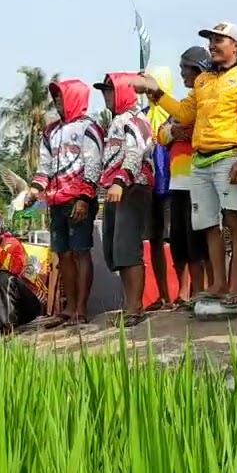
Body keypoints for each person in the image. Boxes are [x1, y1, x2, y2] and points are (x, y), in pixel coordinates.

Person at [143, 22, 237, 303]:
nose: (212, 45)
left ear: (236, 45)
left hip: (230, 156)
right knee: (209, 225)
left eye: (219, 40)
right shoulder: (203, 81)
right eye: (210, 40)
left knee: (234, 222)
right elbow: (185, 115)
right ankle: (218, 284)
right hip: (201, 160)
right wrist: (158, 95)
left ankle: (236, 286)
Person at [24, 79, 104, 326]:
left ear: (74, 99)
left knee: (81, 251)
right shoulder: (50, 131)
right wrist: (35, 190)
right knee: (63, 254)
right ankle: (69, 308)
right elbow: (44, 168)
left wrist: (84, 196)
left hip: (79, 198)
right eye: (56, 100)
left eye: (62, 98)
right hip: (56, 200)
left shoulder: (89, 128)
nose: (58, 104)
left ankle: (81, 309)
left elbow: (93, 164)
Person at [93, 72, 155, 320]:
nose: (106, 96)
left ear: (124, 91)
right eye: (104, 91)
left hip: (132, 187)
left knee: (127, 247)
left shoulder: (135, 120)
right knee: (116, 249)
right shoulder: (117, 121)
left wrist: (120, 180)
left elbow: (135, 152)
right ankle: (130, 305)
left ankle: (134, 307)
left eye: (111, 90)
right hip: (116, 188)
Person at [157, 49, 212, 303]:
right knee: (179, 241)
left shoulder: (204, 103)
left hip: (198, 180)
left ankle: (200, 292)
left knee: (197, 242)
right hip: (176, 184)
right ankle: (182, 293)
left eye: (185, 69)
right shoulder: (182, 107)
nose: (182, 75)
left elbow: (194, 129)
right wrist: (177, 130)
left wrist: (177, 130)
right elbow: (161, 135)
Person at [142, 66, 175, 309]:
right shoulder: (141, 116)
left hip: (174, 185)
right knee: (153, 240)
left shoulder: (175, 113)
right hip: (149, 187)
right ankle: (163, 294)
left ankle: (184, 293)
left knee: (176, 239)